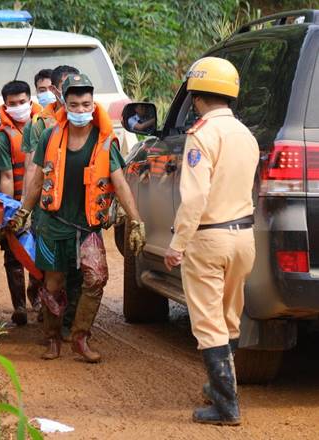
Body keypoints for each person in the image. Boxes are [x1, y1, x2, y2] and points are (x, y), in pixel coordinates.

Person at [9, 73, 146, 362]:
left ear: (93, 104)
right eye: (75, 105)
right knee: (53, 283)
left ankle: (80, 337)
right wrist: (24, 210)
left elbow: (119, 182)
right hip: (53, 222)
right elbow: (37, 180)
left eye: (86, 104)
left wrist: (135, 219)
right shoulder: (50, 135)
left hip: (87, 225)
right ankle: (52, 338)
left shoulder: (104, 140)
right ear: (65, 104)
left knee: (96, 278)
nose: (81, 111)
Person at [163, 57, 258, 426]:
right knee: (230, 317)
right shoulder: (245, 134)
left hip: (209, 237)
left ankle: (225, 406)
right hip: (243, 236)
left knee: (207, 323)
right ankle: (219, 387)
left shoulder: (202, 134)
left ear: (196, 95)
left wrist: (177, 244)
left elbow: (194, 197)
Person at [21, 65, 80, 334]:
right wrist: (26, 209)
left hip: (81, 209)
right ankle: (53, 324)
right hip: (50, 208)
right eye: (68, 87)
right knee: (50, 270)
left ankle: (72, 325)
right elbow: (32, 171)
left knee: (79, 271)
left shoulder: (91, 122)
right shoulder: (42, 125)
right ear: (57, 91)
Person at [0, 80, 43, 325]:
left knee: (39, 252)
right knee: (13, 255)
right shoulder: (4, 136)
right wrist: (12, 210)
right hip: (17, 202)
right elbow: (6, 175)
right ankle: (19, 307)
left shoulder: (43, 125)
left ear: (30, 101)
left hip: (42, 203)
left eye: (22, 102)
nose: (18, 107)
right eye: (13, 104)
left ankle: (39, 299)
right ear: (5, 105)